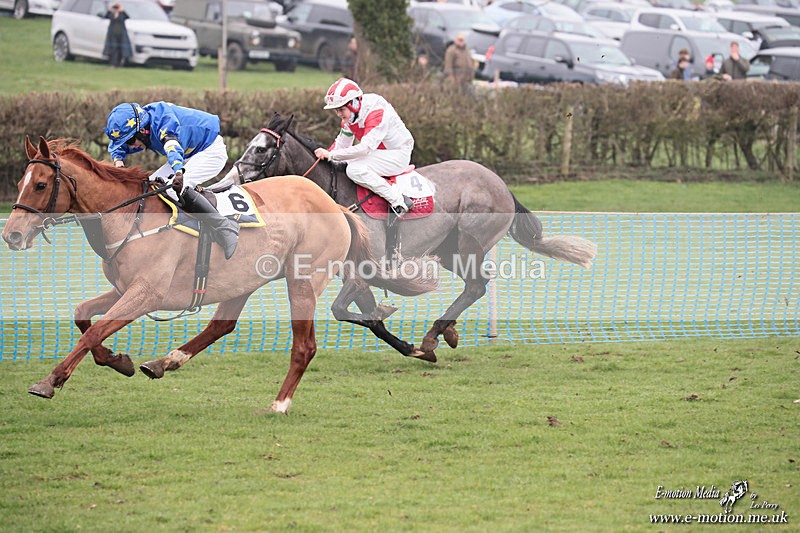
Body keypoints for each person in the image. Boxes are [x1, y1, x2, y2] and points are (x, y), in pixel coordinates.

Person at [104, 102, 239, 259]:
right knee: (149, 186)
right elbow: (117, 148)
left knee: (174, 189)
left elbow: (172, 147)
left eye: (129, 141)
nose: (131, 147)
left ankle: (225, 227)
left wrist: (178, 171)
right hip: (187, 153)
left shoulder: (163, 120)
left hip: (210, 151)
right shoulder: (141, 127)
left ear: (141, 131)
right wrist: (119, 164)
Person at [313, 78, 415, 216]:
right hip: (378, 153)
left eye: (341, 109)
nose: (339, 114)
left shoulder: (376, 112)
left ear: (354, 104)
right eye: (336, 110)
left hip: (398, 154)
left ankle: (398, 200)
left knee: (354, 169)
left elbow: (365, 149)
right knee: (340, 163)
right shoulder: (351, 117)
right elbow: (342, 144)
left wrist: (331, 155)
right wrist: (323, 159)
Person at [103, 1, 131, 68]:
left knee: (120, 49)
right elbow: (105, 17)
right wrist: (110, 10)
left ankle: (119, 63)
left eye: (117, 7)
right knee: (113, 49)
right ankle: (113, 63)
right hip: (112, 33)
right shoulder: (111, 13)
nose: (116, 8)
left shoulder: (122, 14)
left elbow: (128, 17)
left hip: (121, 33)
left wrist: (122, 10)